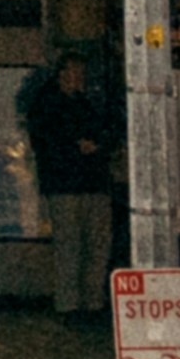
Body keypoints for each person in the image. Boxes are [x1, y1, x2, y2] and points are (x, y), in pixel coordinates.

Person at [21, 53, 116, 323]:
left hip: (80, 182)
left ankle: (84, 302)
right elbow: (47, 143)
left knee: (89, 244)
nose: (79, 79)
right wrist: (81, 148)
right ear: (62, 74)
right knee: (74, 245)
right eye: (74, 73)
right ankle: (75, 304)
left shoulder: (81, 104)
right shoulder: (49, 106)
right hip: (70, 183)